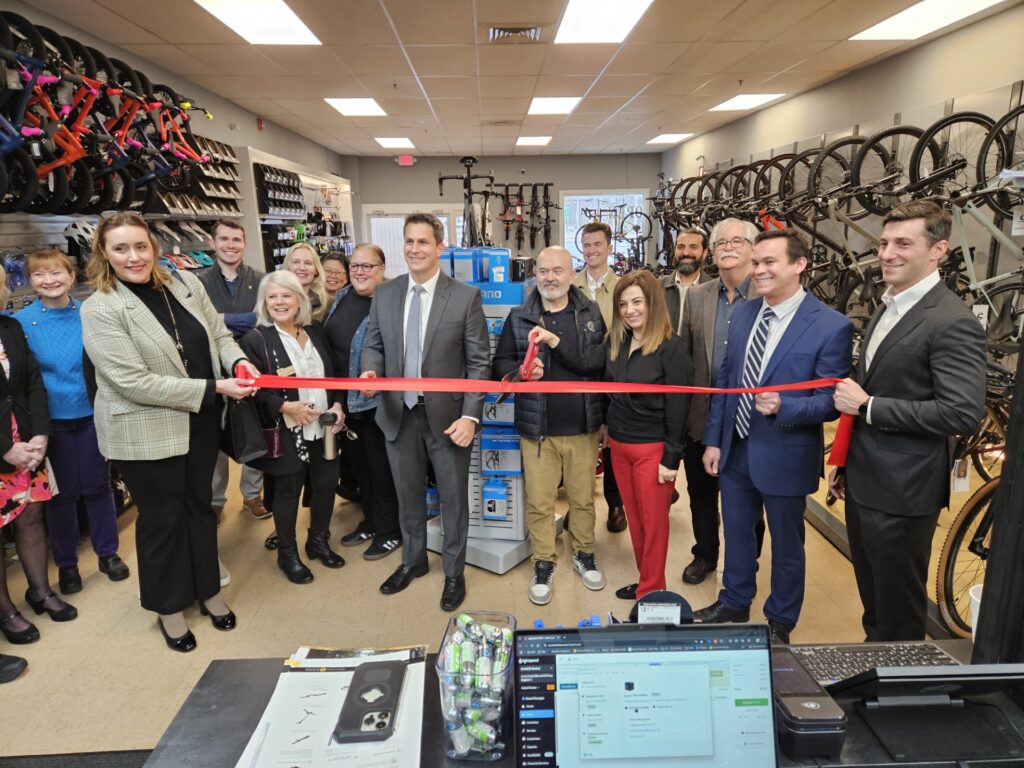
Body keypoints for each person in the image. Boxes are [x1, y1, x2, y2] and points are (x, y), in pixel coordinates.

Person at [81, 212, 257, 653]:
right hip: (144, 430)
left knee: (200, 508)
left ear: (154, 247)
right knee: (163, 521)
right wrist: (216, 385)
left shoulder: (185, 284)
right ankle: (170, 611)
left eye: (141, 246)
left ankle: (209, 590)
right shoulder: (101, 307)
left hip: (198, 421)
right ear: (104, 252)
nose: (133, 256)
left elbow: (218, 336)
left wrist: (237, 362)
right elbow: (131, 381)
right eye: (121, 248)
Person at [831, 200, 986, 642]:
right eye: (883, 243)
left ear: (938, 250)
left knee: (898, 609)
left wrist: (870, 406)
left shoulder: (951, 321)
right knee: (875, 601)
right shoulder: (889, 305)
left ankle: (899, 696)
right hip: (866, 479)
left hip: (904, 492)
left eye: (903, 243)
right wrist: (845, 463)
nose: (888, 253)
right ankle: (875, 672)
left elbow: (961, 411)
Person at [698, 229, 852, 645]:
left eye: (770, 263)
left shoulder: (831, 326)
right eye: (757, 262)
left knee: (787, 544)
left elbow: (830, 401)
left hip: (785, 451)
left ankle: (781, 618)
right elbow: (725, 382)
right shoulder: (746, 313)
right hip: (736, 448)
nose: (759, 270)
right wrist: (715, 440)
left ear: (799, 265)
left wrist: (787, 405)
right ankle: (734, 600)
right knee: (736, 531)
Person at [360, 213, 490, 612]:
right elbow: (374, 343)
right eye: (409, 242)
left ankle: (453, 571)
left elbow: (479, 362)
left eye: (423, 242)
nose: (415, 249)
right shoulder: (385, 293)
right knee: (408, 497)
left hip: (449, 419)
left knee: (452, 499)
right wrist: (371, 369)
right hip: (398, 414)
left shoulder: (464, 296)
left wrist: (470, 417)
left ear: (440, 247)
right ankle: (412, 561)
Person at [492, 246, 607, 606]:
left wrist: (556, 347)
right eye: (543, 271)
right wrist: (522, 375)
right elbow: (501, 366)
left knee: (582, 500)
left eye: (558, 271)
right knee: (540, 502)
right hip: (537, 428)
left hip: (582, 426)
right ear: (535, 275)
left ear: (573, 274)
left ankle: (583, 552)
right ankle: (544, 560)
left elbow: (597, 364)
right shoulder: (519, 316)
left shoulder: (590, 312)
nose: (550, 278)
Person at [16, 248, 128, 596]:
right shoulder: (22, 322)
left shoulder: (89, 313)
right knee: (61, 497)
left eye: (56, 273)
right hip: (51, 422)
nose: (49, 280)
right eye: (40, 275)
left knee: (99, 487)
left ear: (71, 275)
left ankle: (108, 554)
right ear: (31, 281)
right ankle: (66, 564)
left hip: (93, 413)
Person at [240, 271, 346, 584]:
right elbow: (252, 388)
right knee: (287, 492)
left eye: (286, 295)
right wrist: (285, 407)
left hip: (325, 427)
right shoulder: (256, 339)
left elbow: (335, 374)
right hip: (288, 429)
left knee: (326, 485)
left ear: (298, 299)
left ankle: (318, 541)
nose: (279, 302)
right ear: (264, 303)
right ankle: (288, 553)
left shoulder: (315, 332)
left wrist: (338, 405)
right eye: (272, 297)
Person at [677, 219, 765, 586]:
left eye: (736, 241)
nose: (727, 248)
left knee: (748, 500)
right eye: (720, 243)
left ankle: (747, 561)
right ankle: (706, 554)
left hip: (751, 419)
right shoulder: (697, 296)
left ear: (753, 248)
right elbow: (684, 354)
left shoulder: (767, 295)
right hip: (702, 415)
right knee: (701, 495)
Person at [0, 263, 70, 683]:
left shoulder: (9, 326)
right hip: (4, 449)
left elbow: (32, 383)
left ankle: (40, 591)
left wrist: (40, 434)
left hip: (26, 442)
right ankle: (6, 611)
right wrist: (5, 449)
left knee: (30, 517)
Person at [604, 270, 691, 600]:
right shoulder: (619, 341)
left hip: (653, 449)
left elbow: (679, 406)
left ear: (652, 303)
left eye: (637, 302)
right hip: (620, 446)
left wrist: (672, 457)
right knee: (637, 522)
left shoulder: (672, 348)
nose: (629, 310)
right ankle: (647, 581)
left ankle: (652, 592)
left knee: (654, 526)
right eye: (623, 304)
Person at [324, 243, 401, 560]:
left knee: (382, 471)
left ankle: (390, 532)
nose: (359, 272)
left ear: (382, 269)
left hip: (375, 403)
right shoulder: (342, 298)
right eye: (354, 266)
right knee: (361, 470)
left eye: (367, 266)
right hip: (345, 404)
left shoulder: (390, 306)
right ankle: (371, 522)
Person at [197, 220, 269, 523]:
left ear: (244, 243)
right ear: (212, 243)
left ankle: (252, 495)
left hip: (252, 364)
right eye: (224, 239)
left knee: (254, 429)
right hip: (212, 367)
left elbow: (262, 317)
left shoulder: (261, 279)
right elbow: (201, 323)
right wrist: (242, 319)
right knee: (214, 436)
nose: (230, 245)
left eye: (236, 239)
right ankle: (215, 499)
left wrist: (222, 318)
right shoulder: (197, 282)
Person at [573, 221, 626, 534]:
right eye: (587, 244)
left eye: (597, 244)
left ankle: (616, 504)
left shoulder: (623, 287)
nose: (591, 250)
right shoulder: (570, 285)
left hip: (614, 376)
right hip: (579, 376)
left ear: (609, 247)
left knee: (613, 444)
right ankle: (581, 507)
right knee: (582, 445)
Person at [661, 227, 708, 335]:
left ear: (704, 253)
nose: (686, 252)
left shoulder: (715, 291)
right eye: (680, 247)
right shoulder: (656, 288)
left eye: (693, 247)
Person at [283, 243, 329, 322]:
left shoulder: (328, 304)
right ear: (288, 267)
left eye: (308, 263)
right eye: (296, 262)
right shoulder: (276, 301)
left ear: (316, 270)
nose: (302, 268)